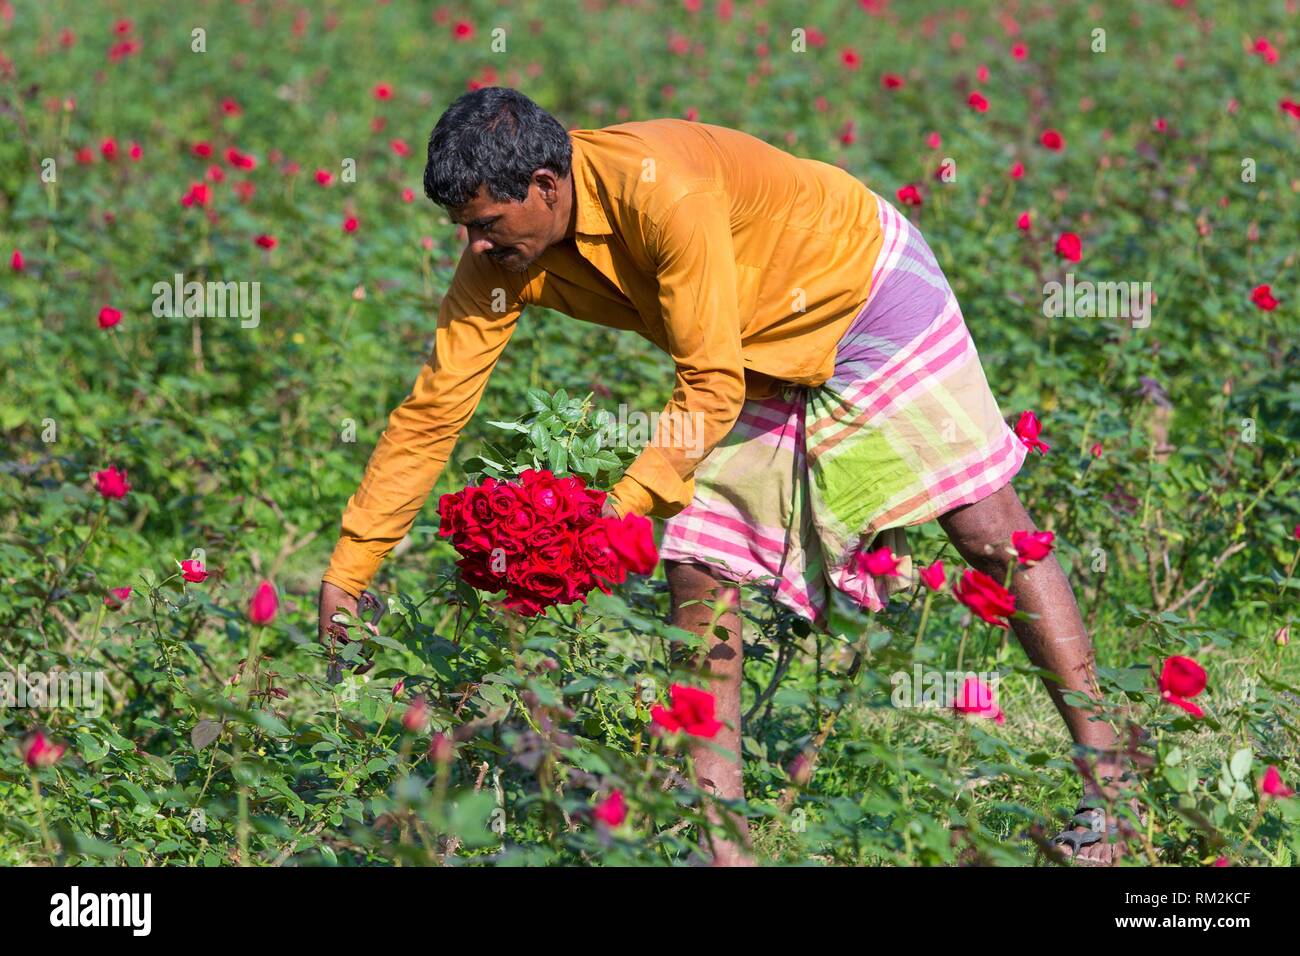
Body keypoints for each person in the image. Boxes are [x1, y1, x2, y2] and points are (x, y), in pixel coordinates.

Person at [317, 86, 1131, 865]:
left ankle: (1109, 780)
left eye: (489, 225)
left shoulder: (661, 191)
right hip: (745, 352)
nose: (478, 248)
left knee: (989, 534)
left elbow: (707, 385)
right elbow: (433, 414)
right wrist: (352, 570)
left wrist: (616, 514)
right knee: (699, 567)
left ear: (544, 184)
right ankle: (724, 845)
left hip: (858, 290)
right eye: (466, 230)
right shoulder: (497, 265)